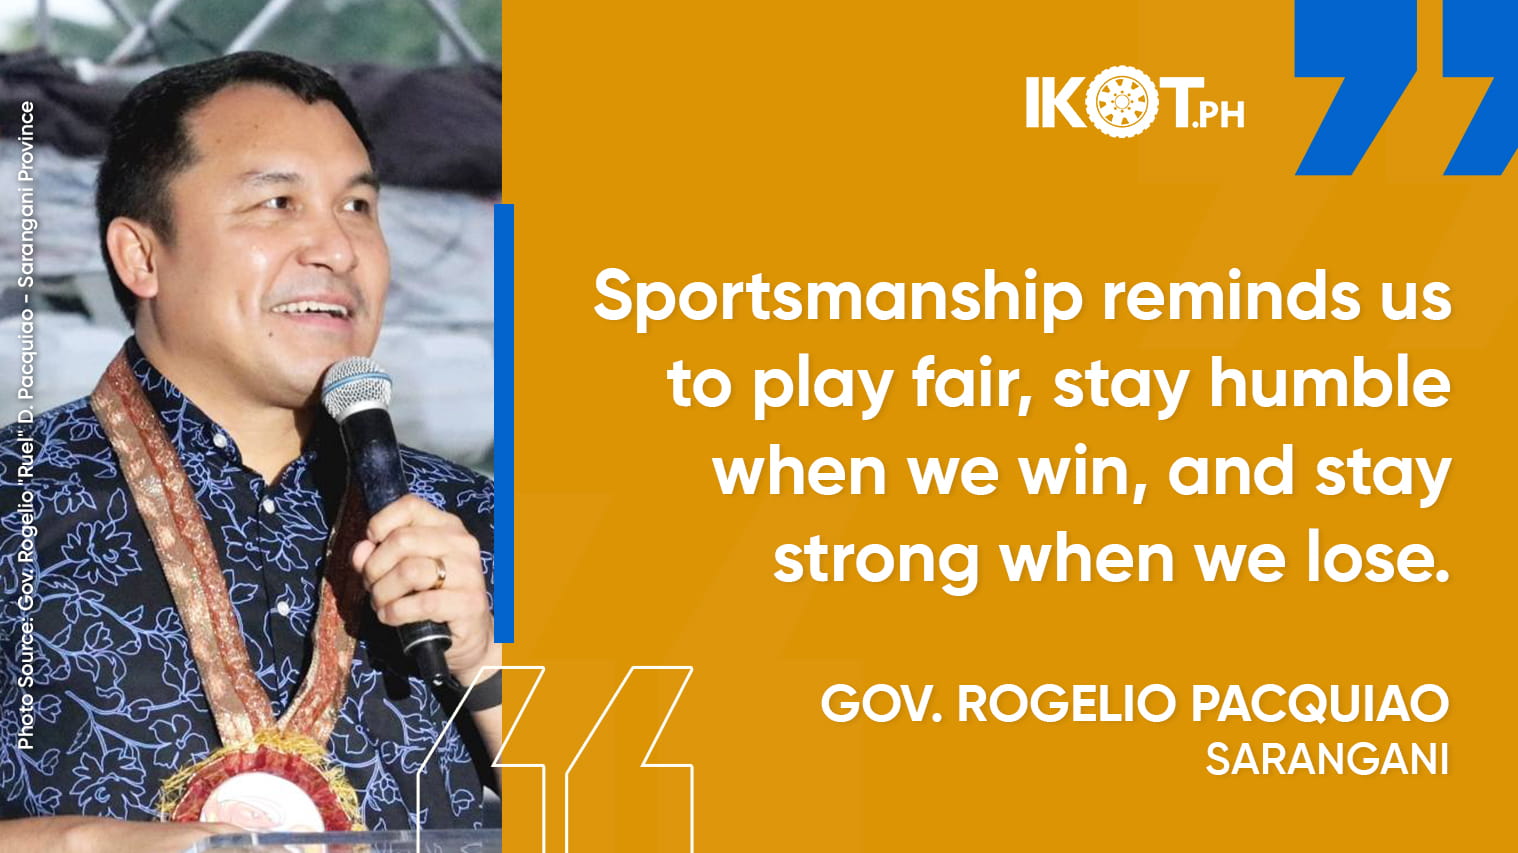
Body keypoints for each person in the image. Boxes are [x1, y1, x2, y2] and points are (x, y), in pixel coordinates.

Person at [0, 51, 503, 852]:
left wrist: (486, 667)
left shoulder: (483, 521)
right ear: (142, 255)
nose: (337, 248)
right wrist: (80, 842)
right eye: (278, 202)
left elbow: (647, 811)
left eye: (358, 205)